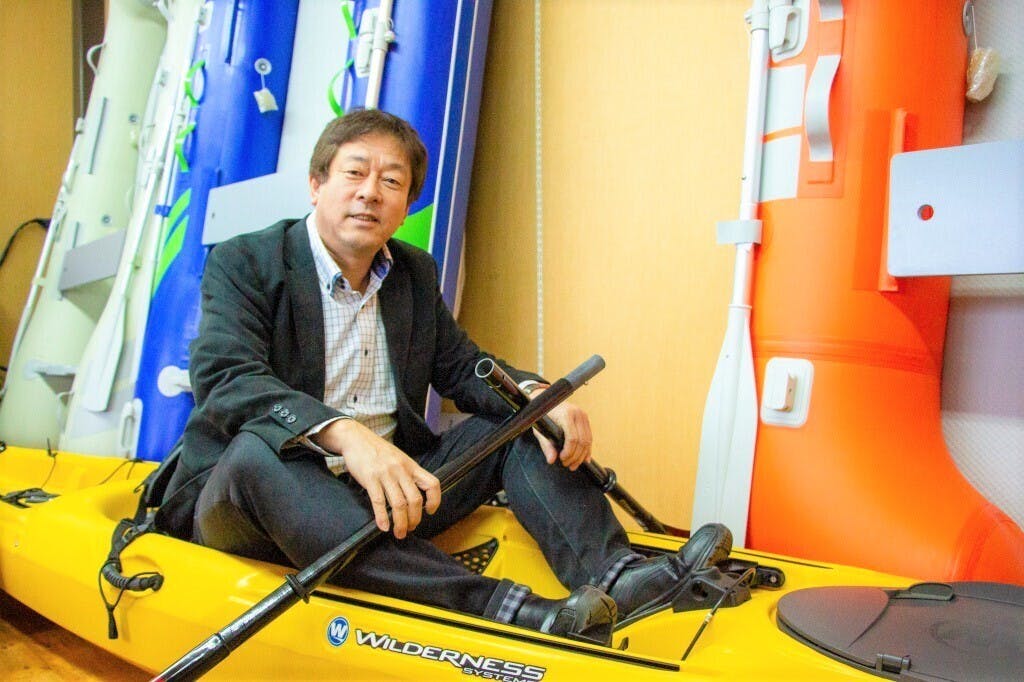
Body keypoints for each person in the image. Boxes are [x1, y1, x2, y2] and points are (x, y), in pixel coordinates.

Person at [157, 109, 731, 644]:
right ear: (316, 184)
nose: (370, 192)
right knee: (257, 454)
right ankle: (505, 609)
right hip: (259, 497)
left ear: (405, 205)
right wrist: (343, 434)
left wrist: (538, 397)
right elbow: (228, 378)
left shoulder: (412, 272)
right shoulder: (246, 261)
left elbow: (461, 366)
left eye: (391, 181)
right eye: (354, 172)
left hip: (390, 495)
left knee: (518, 420)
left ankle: (617, 576)